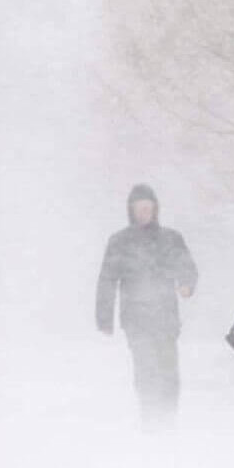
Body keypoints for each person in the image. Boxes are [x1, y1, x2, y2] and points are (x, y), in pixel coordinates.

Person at [96, 184, 198, 430]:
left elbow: (187, 266)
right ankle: (150, 418)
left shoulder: (170, 238)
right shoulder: (119, 241)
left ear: (155, 209)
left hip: (165, 317)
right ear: (131, 210)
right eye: (139, 208)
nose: (143, 212)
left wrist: (186, 284)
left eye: (148, 208)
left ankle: (168, 418)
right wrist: (104, 318)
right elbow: (107, 279)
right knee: (145, 369)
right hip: (136, 319)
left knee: (168, 370)